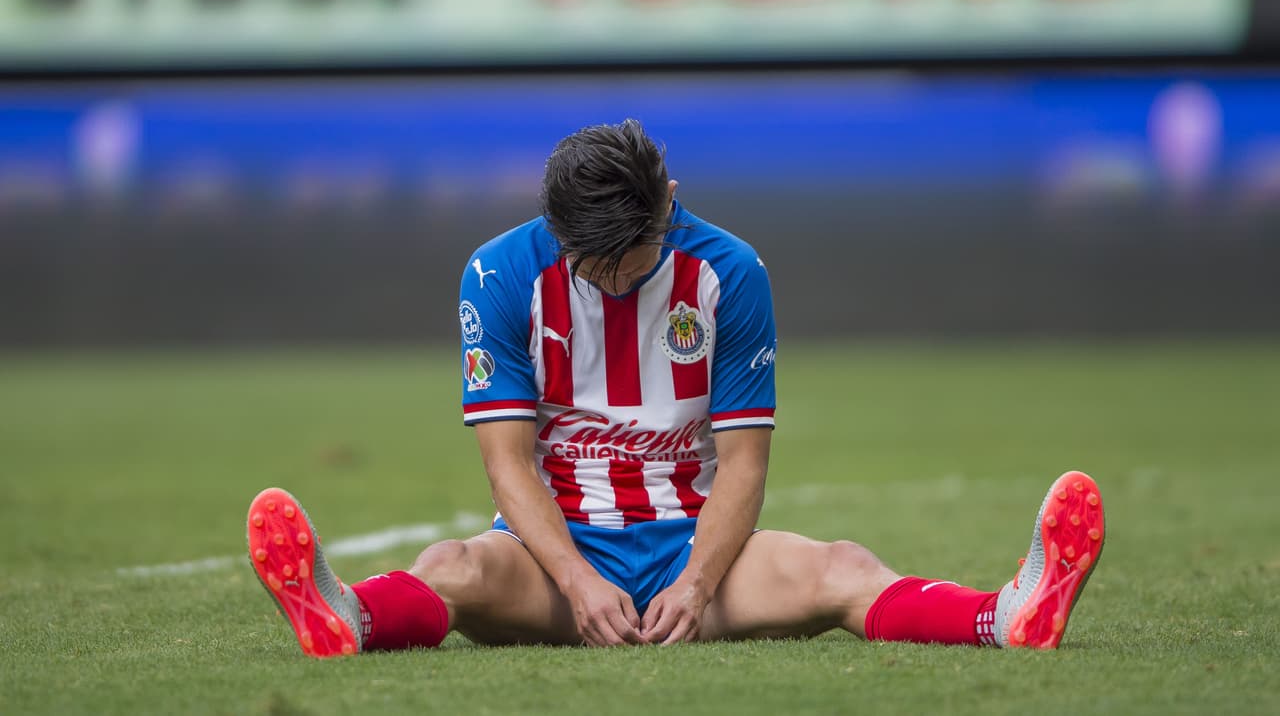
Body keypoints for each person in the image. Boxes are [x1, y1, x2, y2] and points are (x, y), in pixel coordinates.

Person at [246, 119, 1105, 657]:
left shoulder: (732, 272)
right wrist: (578, 582)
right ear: (556, 231)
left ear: (670, 204)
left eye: (634, 261)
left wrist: (694, 585)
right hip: (553, 559)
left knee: (844, 567)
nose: (618, 285)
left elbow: (744, 464)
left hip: (697, 550)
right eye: (595, 269)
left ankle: (1006, 616)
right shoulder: (499, 274)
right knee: (453, 565)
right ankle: (345, 616)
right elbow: (508, 464)